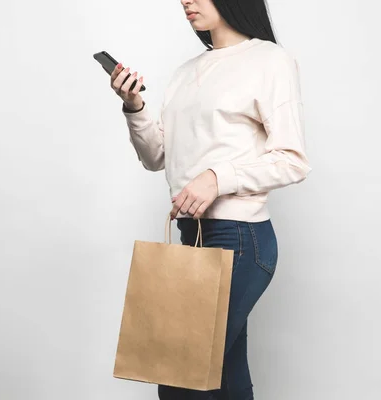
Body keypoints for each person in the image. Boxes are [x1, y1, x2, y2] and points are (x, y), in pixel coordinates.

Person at [108, 0, 312, 398]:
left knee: (180, 378)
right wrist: (135, 106)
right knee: (223, 381)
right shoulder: (187, 71)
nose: (187, 0)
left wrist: (218, 178)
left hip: (240, 239)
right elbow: (156, 157)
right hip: (193, 241)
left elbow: (293, 160)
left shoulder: (270, 60)